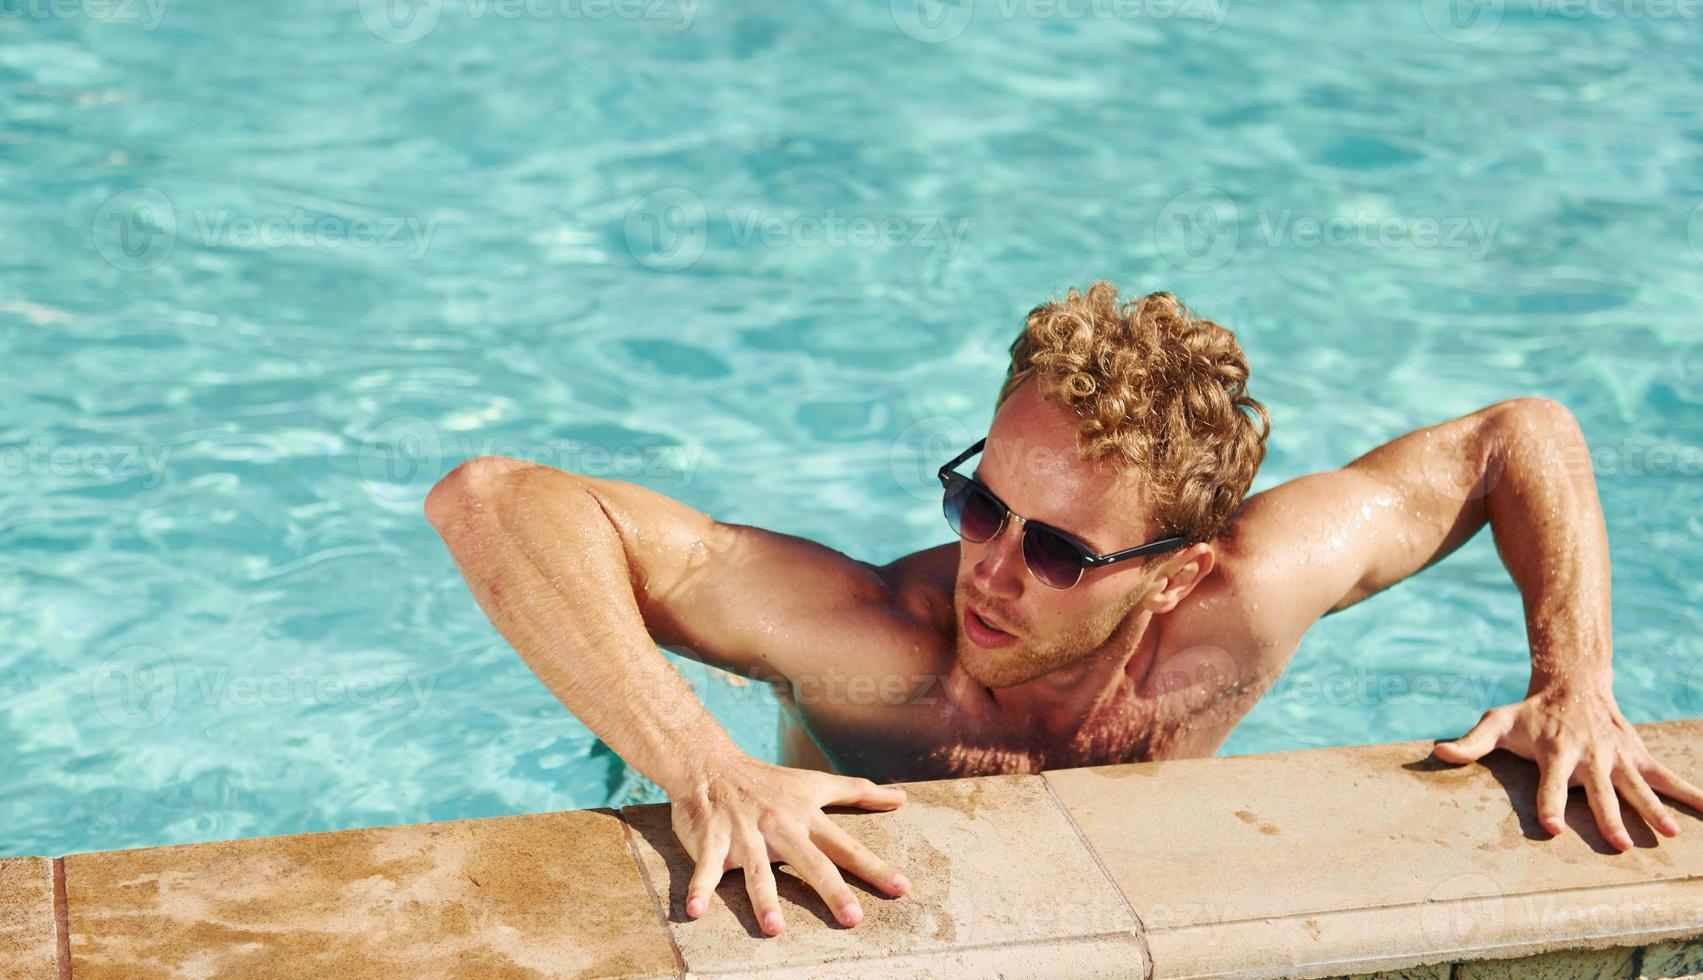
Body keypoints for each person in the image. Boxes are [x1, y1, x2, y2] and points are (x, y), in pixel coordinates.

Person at [425, 282, 1700, 937]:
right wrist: (697, 763)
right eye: (978, 502)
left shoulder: (1243, 602)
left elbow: (1514, 436)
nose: (985, 566)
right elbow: (493, 500)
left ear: (1175, 572)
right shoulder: (871, 637)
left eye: (1054, 551)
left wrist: (1573, 684)